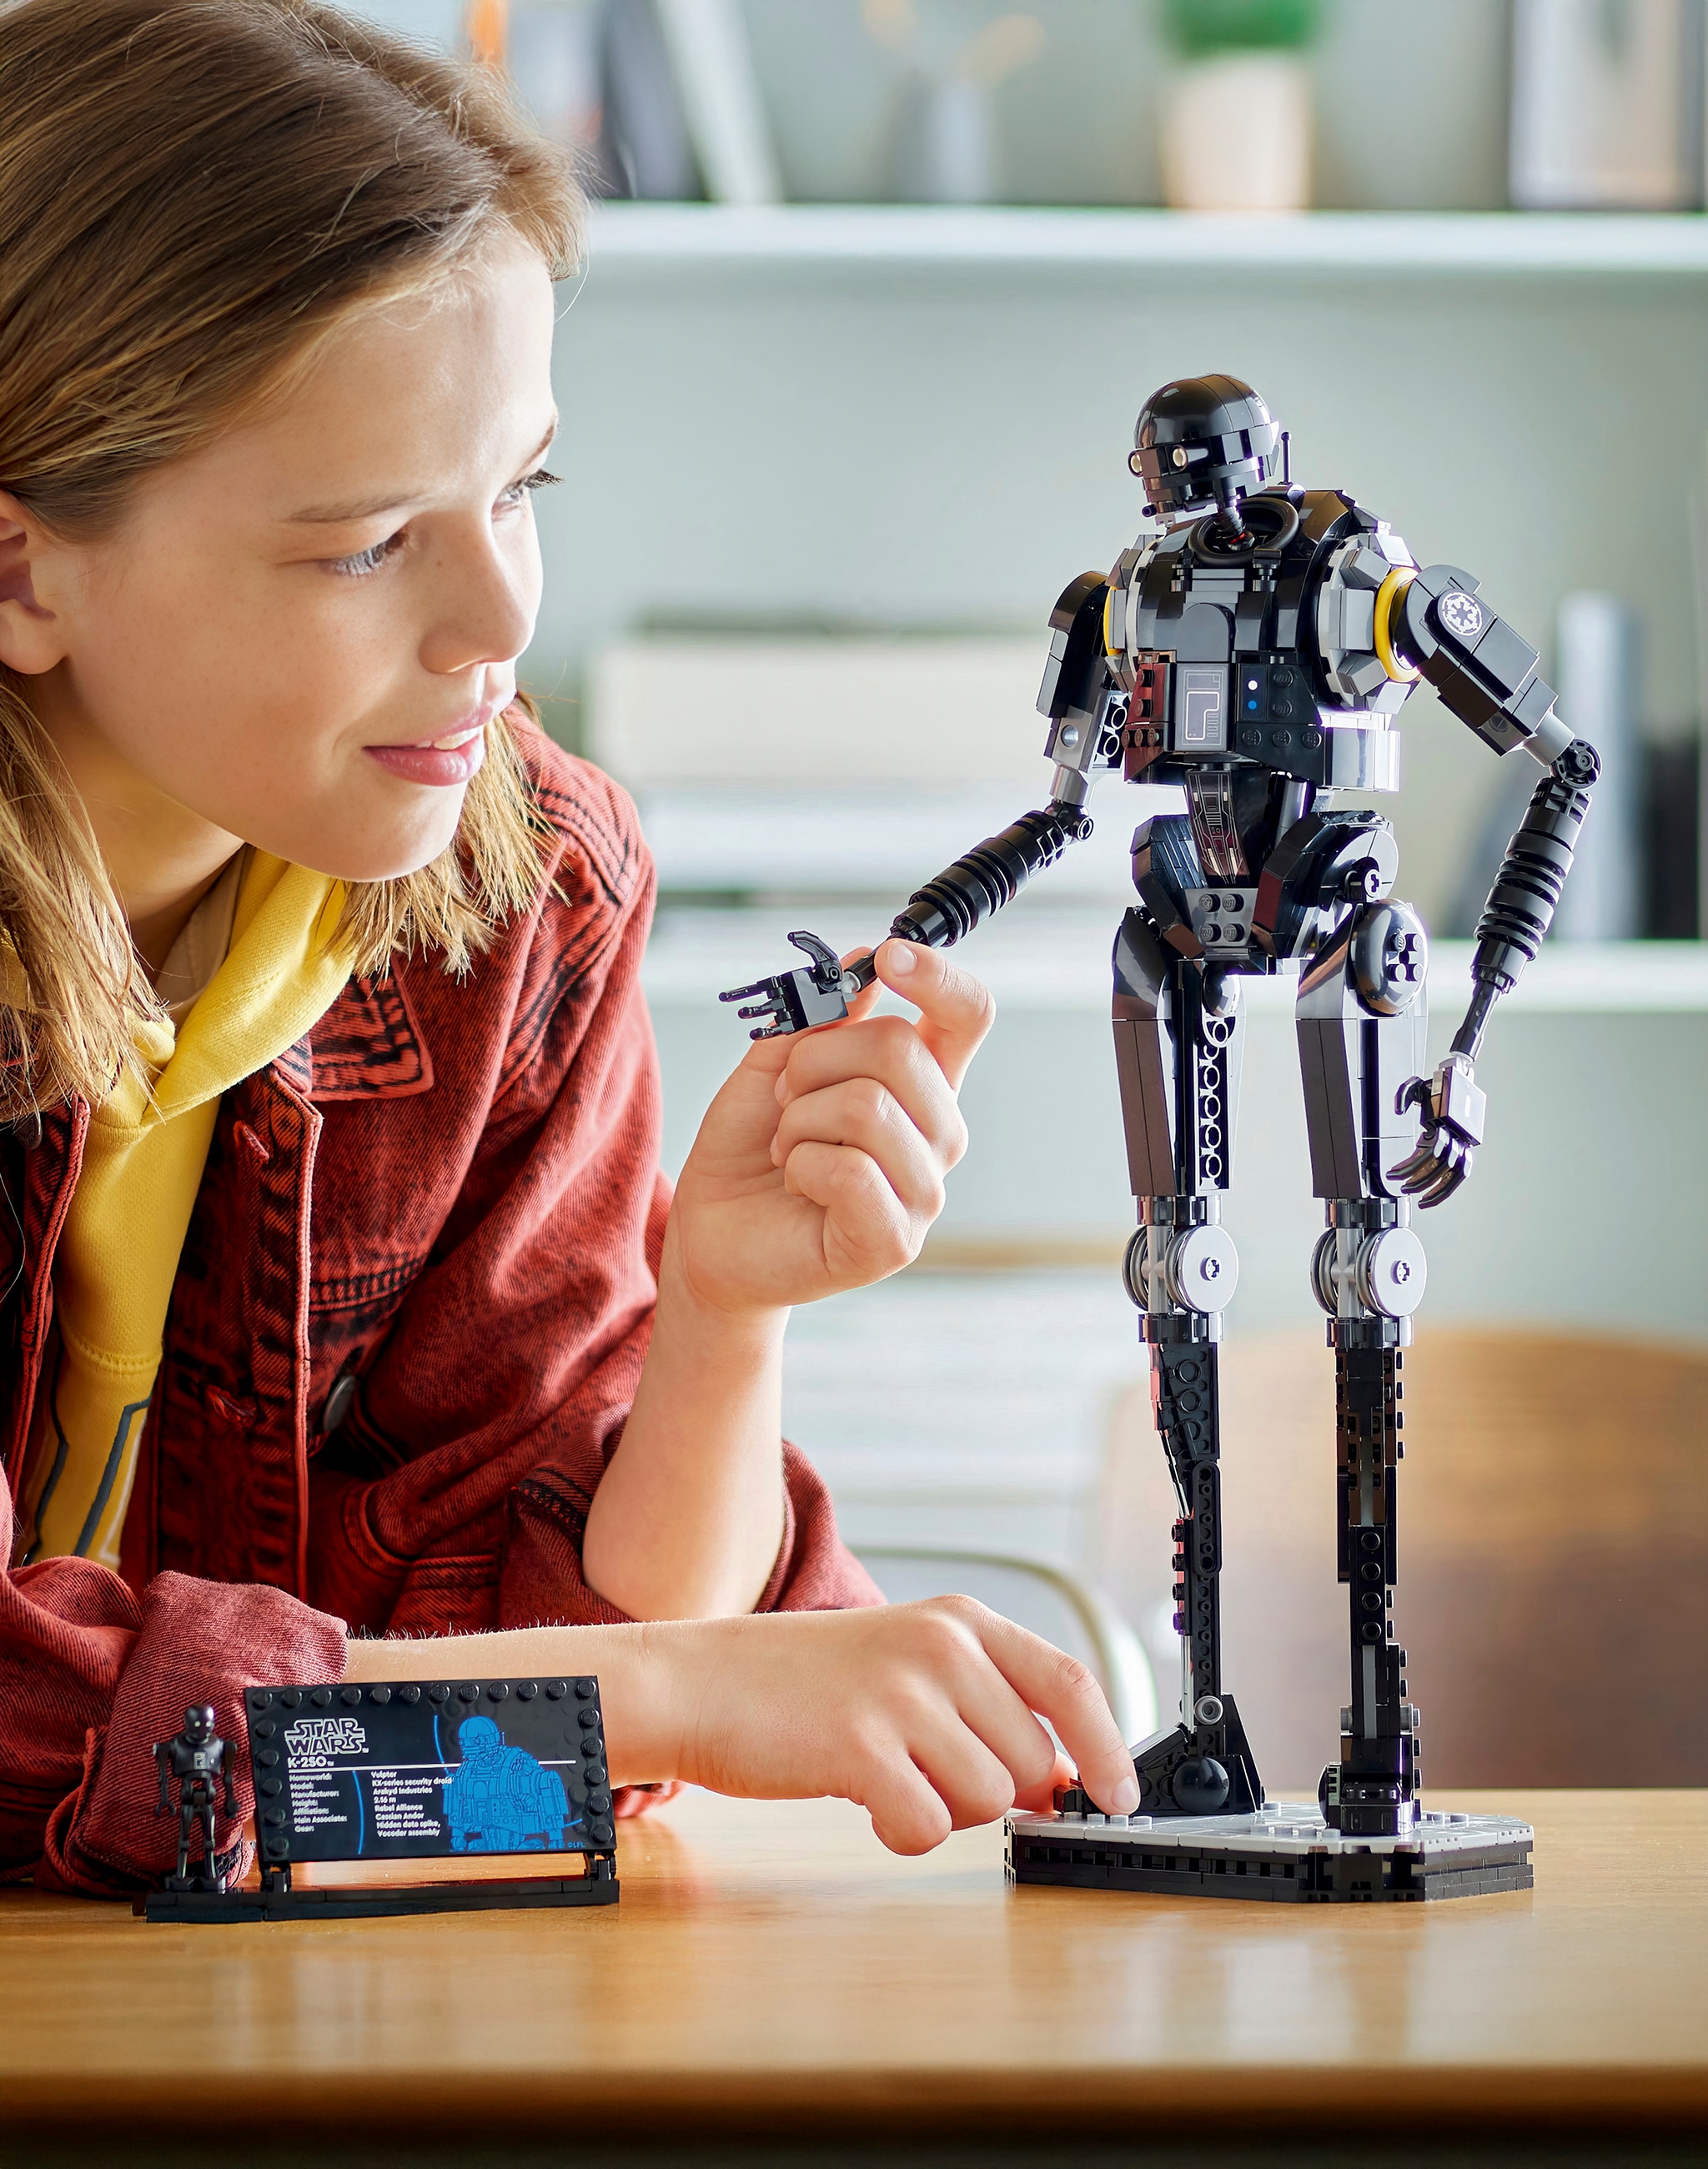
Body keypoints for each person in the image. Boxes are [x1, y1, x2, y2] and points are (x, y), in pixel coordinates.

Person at [0, 0, 1138, 1899]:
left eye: (521, 489)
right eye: (364, 543)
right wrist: (657, 1693)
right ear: (24, 568)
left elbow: (521, 1760)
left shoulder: (519, 883)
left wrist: (718, 1319)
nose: (500, 617)